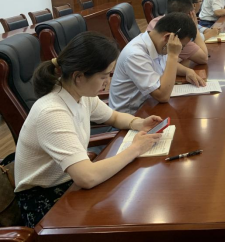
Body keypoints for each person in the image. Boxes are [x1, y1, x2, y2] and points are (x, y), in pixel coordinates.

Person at [15, 33, 164, 228]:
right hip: (46, 201)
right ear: (78, 76)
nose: (108, 82)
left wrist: (139, 123)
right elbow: (87, 177)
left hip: (71, 182)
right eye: (104, 76)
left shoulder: (80, 95)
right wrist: (135, 149)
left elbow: (114, 117)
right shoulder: (52, 111)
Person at [109, 13, 207, 115]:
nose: (180, 50)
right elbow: (162, 96)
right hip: (131, 115)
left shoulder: (156, 42)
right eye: (181, 47)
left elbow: (165, 64)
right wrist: (173, 55)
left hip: (148, 105)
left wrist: (187, 71)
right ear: (168, 37)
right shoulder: (135, 55)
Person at [146, 0, 208, 65]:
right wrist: (194, 26)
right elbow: (204, 58)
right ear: (189, 15)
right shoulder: (178, 33)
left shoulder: (155, 21)